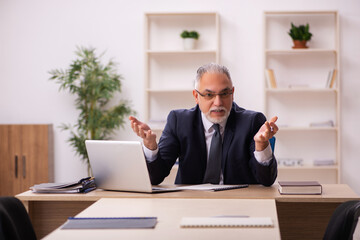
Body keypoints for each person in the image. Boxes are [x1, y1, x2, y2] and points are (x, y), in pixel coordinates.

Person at [129, 63, 278, 186]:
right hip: (191, 202)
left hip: (238, 202)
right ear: (196, 96)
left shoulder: (252, 122)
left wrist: (261, 146)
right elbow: (155, 178)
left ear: (232, 93)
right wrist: (150, 146)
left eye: (224, 94)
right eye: (209, 95)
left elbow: (266, 181)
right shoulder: (179, 121)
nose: (218, 102)